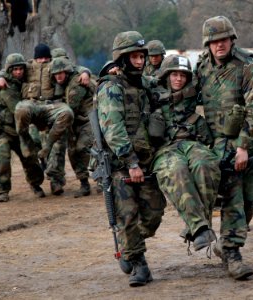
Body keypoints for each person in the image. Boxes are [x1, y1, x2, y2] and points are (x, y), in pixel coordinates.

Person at [193, 16, 253, 280]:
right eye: (213, 42)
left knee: (249, 201)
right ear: (207, 44)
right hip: (219, 148)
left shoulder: (248, 66)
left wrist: (243, 146)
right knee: (233, 198)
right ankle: (233, 253)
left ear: (232, 40)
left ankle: (226, 245)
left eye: (223, 40)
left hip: (250, 146)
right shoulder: (202, 68)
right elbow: (178, 90)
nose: (219, 46)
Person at [96, 31, 165, 287]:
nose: (139, 61)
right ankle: (138, 263)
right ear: (123, 59)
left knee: (155, 210)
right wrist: (131, 162)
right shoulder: (111, 88)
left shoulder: (142, 83)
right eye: (134, 57)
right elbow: (113, 129)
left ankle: (129, 246)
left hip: (146, 159)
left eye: (141, 56)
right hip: (121, 165)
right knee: (127, 215)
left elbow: (163, 91)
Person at [0, 43, 91, 195]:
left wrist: (85, 72)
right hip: (32, 105)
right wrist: (0, 77)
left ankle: (56, 181)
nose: (43, 61)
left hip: (52, 106)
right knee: (21, 113)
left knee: (58, 147)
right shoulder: (26, 67)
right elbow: (8, 70)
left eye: (46, 58)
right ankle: (25, 141)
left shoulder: (55, 65)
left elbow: (74, 67)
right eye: (40, 58)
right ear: (35, 58)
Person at [150, 54, 220, 252]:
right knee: (177, 170)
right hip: (166, 147)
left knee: (205, 163)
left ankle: (198, 227)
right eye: (174, 75)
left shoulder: (193, 91)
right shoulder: (152, 90)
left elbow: (213, 74)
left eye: (183, 75)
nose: (179, 79)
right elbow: (130, 80)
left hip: (191, 142)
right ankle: (199, 228)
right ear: (166, 76)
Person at [0, 53, 45, 202]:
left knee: (30, 159)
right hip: (5, 130)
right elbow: (17, 109)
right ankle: (2, 190)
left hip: (21, 130)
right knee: (3, 160)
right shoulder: (6, 88)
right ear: (10, 71)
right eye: (15, 69)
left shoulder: (26, 82)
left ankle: (36, 185)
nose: (18, 72)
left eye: (21, 69)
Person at [50, 57, 95, 198]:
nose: (58, 75)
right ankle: (84, 183)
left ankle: (102, 180)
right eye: (56, 73)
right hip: (71, 123)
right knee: (73, 152)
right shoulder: (57, 84)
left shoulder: (76, 84)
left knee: (84, 147)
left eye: (61, 72)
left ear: (67, 72)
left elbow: (71, 109)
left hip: (87, 121)